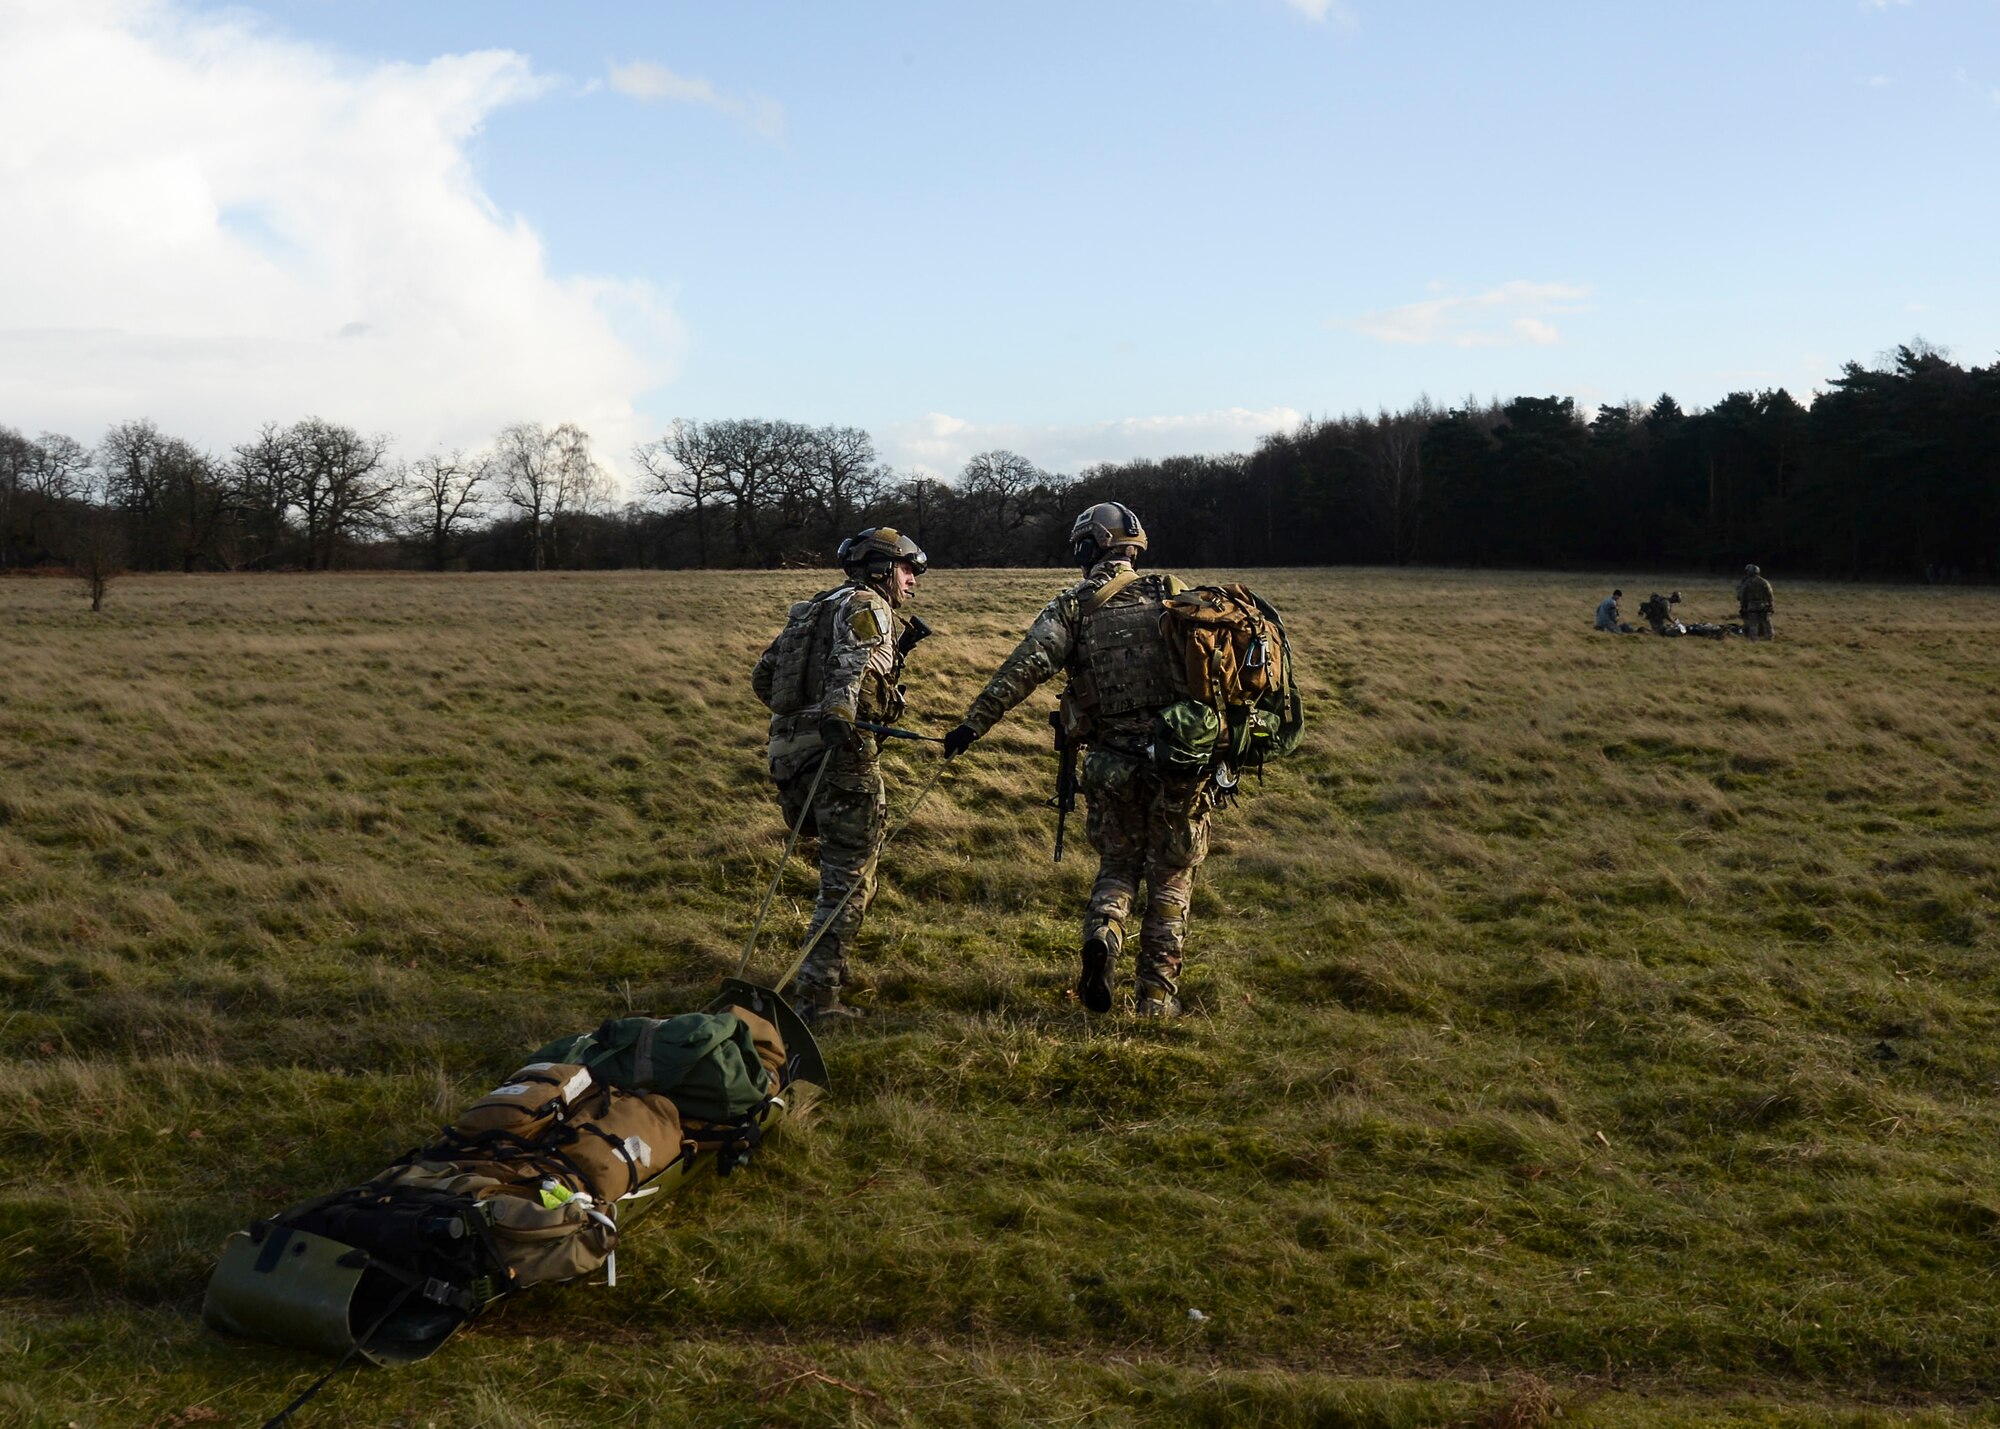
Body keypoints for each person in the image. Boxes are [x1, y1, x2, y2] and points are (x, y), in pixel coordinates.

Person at [941, 502, 1215, 1019]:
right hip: (1180, 766)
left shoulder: (1075, 605)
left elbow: (1023, 669)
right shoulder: (1179, 596)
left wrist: (972, 724)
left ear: (1092, 548)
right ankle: (1156, 1000)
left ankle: (1105, 938)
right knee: (1172, 878)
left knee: (1117, 866)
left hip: (1111, 767)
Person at [750, 527, 927, 1021]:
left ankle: (830, 968)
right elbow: (851, 669)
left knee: (844, 873)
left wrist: (802, 721)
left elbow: (762, 678)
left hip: (788, 756)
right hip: (839, 757)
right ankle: (817, 996)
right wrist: (836, 720)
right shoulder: (870, 606)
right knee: (848, 880)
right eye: (907, 569)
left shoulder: (812, 609)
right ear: (881, 569)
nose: (912, 580)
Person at [1737, 564, 1775, 640]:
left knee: (1753, 623)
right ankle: (1770, 637)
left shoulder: (1747, 583)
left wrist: (1743, 605)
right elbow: (1770, 594)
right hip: (1763, 604)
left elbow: (1742, 595)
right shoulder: (1764, 582)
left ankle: (1754, 639)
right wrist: (1770, 604)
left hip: (1751, 605)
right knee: (1767, 622)